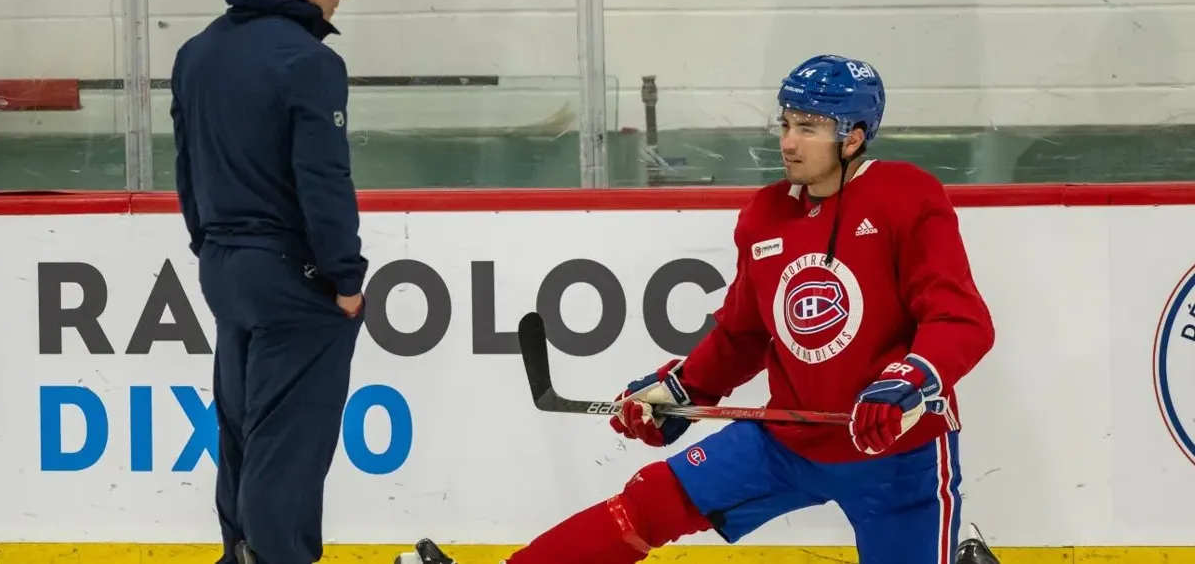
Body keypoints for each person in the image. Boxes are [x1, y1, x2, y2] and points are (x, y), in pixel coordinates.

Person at [410, 54, 999, 564]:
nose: (789, 141)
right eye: (786, 123)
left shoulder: (905, 196)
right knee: (644, 504)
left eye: (810, 127)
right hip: (785, 440)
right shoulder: (767, 213)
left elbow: (960, 319)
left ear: (853, 136)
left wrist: (906, 381)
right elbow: (744, 334)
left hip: (894, 453)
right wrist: (680, 389)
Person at [168, 0, 367, 564]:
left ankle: (240, 552)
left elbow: (187, 166)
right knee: (288, 444)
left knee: (242, 429)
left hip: (226, 267)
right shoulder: (306, 61)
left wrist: (211, 248)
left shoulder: (198, 52)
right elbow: (322, 177)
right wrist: (345, 277)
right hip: (289, 276)